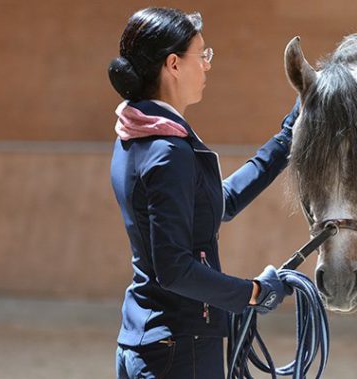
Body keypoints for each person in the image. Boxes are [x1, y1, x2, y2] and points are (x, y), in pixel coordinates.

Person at [107, 7, 298, 379]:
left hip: (147, 341)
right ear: (174, 64)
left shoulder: (135, 134)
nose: (208, 65)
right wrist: (252, 293)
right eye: (203, 54)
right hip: (179, 350)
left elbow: (216, 203)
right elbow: (175, 269)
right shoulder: (167, 151)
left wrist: (286, 139)